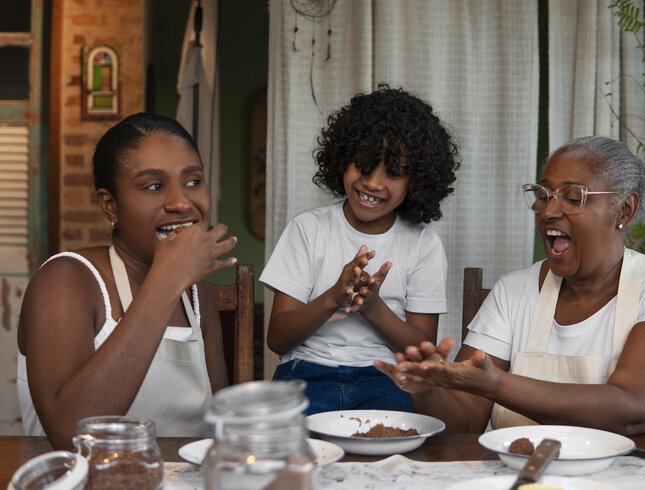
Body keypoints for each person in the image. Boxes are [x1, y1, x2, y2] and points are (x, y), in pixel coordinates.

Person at [377, 135, 645, 435]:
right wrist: (428, 388)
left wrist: (497, 383)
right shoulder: (514, 292)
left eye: (573, 197)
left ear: (625, 211)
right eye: (543, 194)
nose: (548, 211)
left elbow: (634, 408)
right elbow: (463, 424)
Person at [16, 113, 238, 449]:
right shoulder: (67, 280)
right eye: (153, 186)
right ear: (110, 206)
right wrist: (167, 280)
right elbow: (71, 434)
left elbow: (221, 429)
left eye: (193, 181)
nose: (181, 202)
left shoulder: (196, 295)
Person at [260, 84, 461, 415]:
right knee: (290, 452)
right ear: (343, 157)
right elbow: (278, 340)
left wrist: (373, 307)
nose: (373, 183)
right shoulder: (307, 229)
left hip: (385, 377)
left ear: (417, 182)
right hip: (305, 374)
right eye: (365, 165)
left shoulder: (424, 245)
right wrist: (333, 297)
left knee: (394, 448)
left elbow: (422, 351)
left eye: (394, 173)